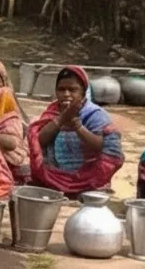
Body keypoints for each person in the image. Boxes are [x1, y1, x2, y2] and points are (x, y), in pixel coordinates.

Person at [26, 66, 124, 196]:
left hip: (87, 179)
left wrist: (78, 127)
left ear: (83, 92)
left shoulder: (94, 114)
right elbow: (39, 142)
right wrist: (61, 119)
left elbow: (101, 146)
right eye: (61, 90)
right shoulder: (52, 112)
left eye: (72, 90)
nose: (66, 94)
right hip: (53, 177)